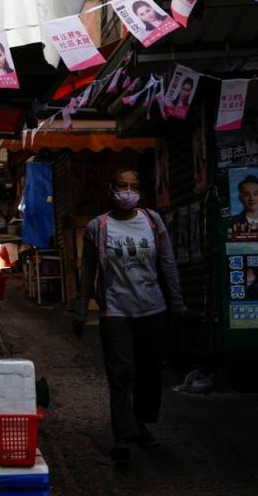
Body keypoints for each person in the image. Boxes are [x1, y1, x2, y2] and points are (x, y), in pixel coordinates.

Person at [74, 168, 186, 462]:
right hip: (115, 311)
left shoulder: (152, 220)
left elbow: (168, 263)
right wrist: (81, 308)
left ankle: (140, 423)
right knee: (121, 372)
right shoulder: (98, 227)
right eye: (122, 185)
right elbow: (88, 271)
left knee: (149, 372)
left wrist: (177, 302)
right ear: (111, 188)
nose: (128, 191)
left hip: (152, 309)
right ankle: (122, 435)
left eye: (133, 186)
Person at [230, 174, 258, 240]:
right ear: (240, 198)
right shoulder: (233, 222)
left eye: (255, 194)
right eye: (247, 195)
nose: (252, 198)